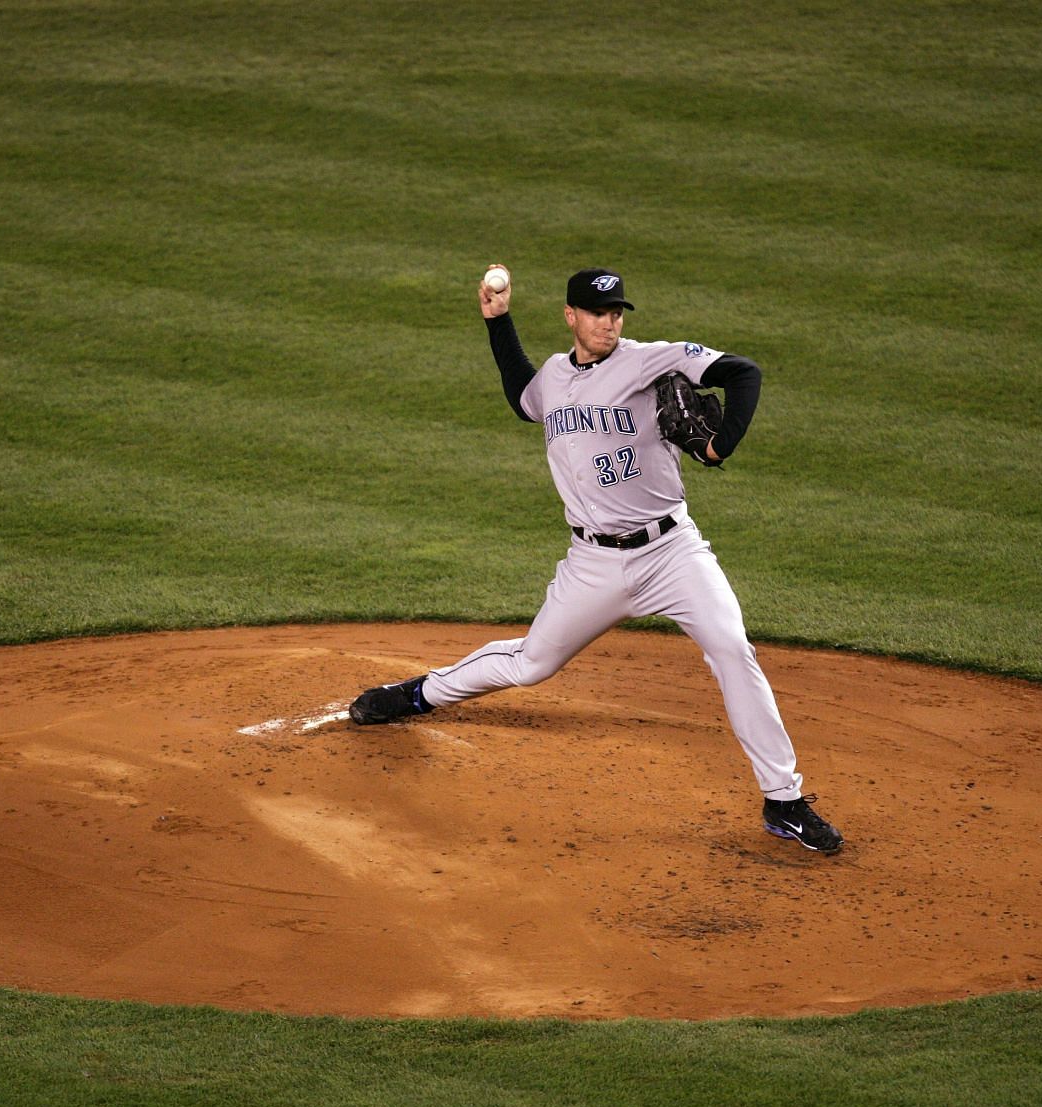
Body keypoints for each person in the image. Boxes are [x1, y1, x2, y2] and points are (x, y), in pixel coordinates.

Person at [347, 266, 843, 855]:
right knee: (532, 663)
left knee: (733, 648)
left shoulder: (648, 359)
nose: (609, 322)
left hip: (671, 552)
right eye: (597, 312)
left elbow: (742, 372)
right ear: (571, 317)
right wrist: (497, 321)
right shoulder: (556, 378)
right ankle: (418, 694)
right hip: (593, 565)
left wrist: (719, 443)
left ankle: (782, 800)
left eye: (616, 312)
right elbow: (520, 395)